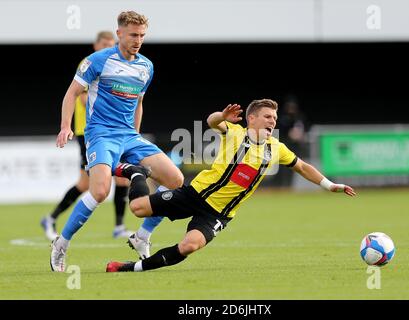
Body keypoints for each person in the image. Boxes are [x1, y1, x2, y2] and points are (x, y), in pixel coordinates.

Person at [105, 99, 356, 273]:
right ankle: (136, 171)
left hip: (218, 213)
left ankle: (129, 268)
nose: (273, 121)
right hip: (194, 194)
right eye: (268, 116)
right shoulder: (235, 133)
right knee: (137, 208)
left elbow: (302, 167)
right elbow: (212, 121)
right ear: (252, 118)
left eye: (275, 118)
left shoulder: (276, 148)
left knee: (188, 246)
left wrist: (329, 184)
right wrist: (222, 117)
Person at [50, 11, 184, 272]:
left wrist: (134, 136)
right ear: (119, 33)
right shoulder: (97, 61)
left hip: (129, 136)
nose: (138, 40)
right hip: (100, 134)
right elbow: (71, 94)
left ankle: (142, 236)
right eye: (133, 35)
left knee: (176, 181)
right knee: (99, 191)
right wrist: (66, 127)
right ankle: (61, 244)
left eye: (142, 36)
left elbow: (139, 104)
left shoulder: (146, 66)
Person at [41, 31, 135, 241]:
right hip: (90, 133)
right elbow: (83, 98)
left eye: (110, 44)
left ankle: (119, 226)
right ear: (95, 45)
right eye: (104, 44)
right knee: (86, 185)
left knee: (120, 180)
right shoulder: (90, 63)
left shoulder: (114, 65)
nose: (107, 47)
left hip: (111, 132)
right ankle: (51, 218)